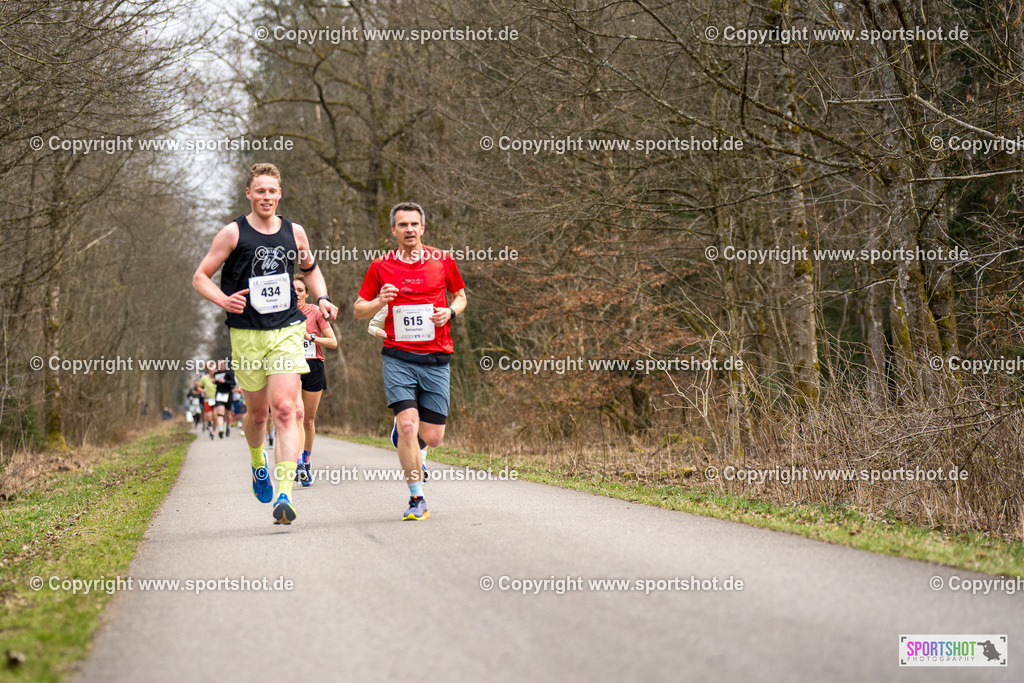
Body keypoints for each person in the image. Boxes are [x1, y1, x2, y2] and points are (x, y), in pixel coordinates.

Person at [192, 162, 338, 525]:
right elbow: (200, 277)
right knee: (257, 415)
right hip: (246, 334)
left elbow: (310, 268)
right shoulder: (232, 233)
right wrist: (223, 300)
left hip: (288, 328)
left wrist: (321, 297)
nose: (267, 197)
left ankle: (284, 494)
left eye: (272, 191)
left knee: (286, 410)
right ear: (249, 194)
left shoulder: (295, 232)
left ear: (280, 194)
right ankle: (258, 461)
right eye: (260, 191)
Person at [353, 201, 466, 521]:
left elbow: (460, 295)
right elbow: (360, 309)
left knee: (433, 437)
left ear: (423, 228)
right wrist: (379, 301)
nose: (409, 230)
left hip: (437, 357)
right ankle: (417, 498)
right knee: (407, 424)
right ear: (393, 230)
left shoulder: (442, 260)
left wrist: (451, 311)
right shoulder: (381, 266)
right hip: (398, 356)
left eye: (414, 224)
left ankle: (407, 436)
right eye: (403, 225)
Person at [369, 307, 430, 480]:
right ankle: (400, 423)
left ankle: (422, 463)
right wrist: (388, 335)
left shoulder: (429, 303)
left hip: (427, 362)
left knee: (425, 415)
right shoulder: (392, 305)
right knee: (411, 416)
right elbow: (372, 326)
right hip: (399, 365)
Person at [294, 274, 338, 486]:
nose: (296, 294)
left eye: (300, 290)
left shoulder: (315, 312)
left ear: (307, 293)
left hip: (313, 365)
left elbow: (333, 342)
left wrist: (311, 337)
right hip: (289, 367)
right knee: (296, 414)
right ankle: (298, 462)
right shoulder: (281, 313)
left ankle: (307, 461)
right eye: (292, 290)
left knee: (308, 420)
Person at [212, 359, 236, 438]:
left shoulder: (229, 372)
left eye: (222, 364)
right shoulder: (216, 373)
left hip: (228, 394)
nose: (220, 366)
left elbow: (233, 383)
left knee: (228, 415)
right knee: (220, 412)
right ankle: (221, 430)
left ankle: (228, 426)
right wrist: (214, 381)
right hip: (219, 394)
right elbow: (215, 382)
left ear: (225, 365)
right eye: (219, 365)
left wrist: (224, 381)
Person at [198, 362, 217, 439]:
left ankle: (213, 431)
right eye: (211, 369)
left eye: (214, 369)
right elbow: (199, 387)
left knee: (215, 416)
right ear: (208, 370)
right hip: (208, 399)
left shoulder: (218, 378)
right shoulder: (204, 378)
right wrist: (202, 390)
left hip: (217, 399)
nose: (213, 371)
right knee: (209, 417)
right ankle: (209, 426)